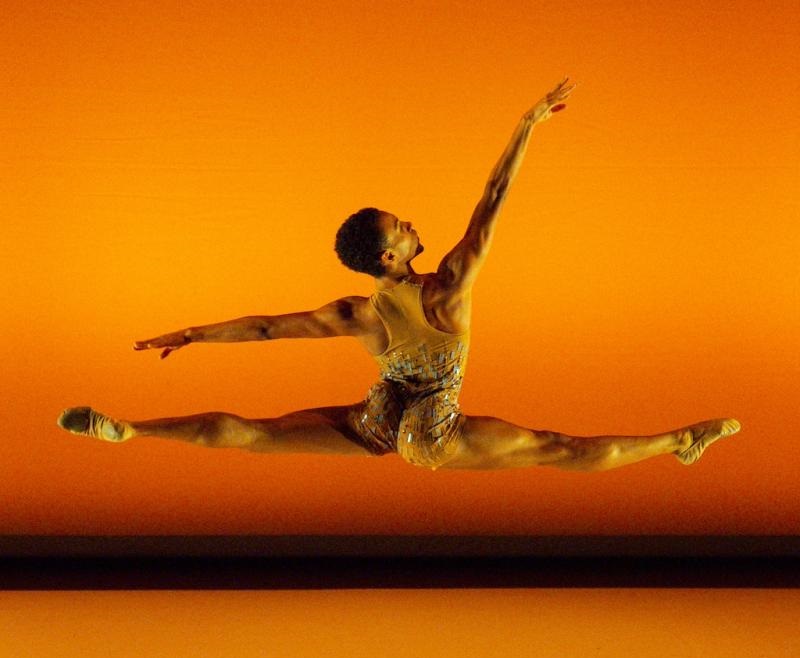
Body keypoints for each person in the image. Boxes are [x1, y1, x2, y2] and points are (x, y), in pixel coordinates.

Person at [57, 77, 741, 471]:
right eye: (402, 228)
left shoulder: (356, 313)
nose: (413, 223)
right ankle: (682, 441)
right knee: (560, 448)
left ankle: (132, 429)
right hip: (430, 435)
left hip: (376, 420)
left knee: (257, 432)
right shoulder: (448, 288)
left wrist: (194, 332)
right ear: (391, 256)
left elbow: (266, 327)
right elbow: (493, 198)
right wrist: (527, 124)